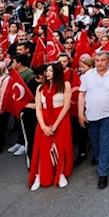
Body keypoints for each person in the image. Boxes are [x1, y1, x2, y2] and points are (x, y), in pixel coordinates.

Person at [78, 50, 109, 189]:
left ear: (108, 60)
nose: (100, 63)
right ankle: (100, 160)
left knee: (105, 143)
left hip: (108, 114)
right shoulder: (87, 75)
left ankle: (102, 173)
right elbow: (81, 95)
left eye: (103, 60)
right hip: (91, 115)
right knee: (95, 142)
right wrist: (80, 113)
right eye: (97, 61)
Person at [29, 62, 73, 191]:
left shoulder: (65, 85)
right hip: (45, 119)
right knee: (42, 148)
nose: (47, 73)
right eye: (47, 71)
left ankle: (60, 174)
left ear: (57, 72)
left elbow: (66, 106)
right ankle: (39, 175)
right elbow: (38, 108)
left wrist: (56, 124)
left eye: (50, 71)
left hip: (61, 119)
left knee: (61, 146)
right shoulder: (40, 88)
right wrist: (43, 126)